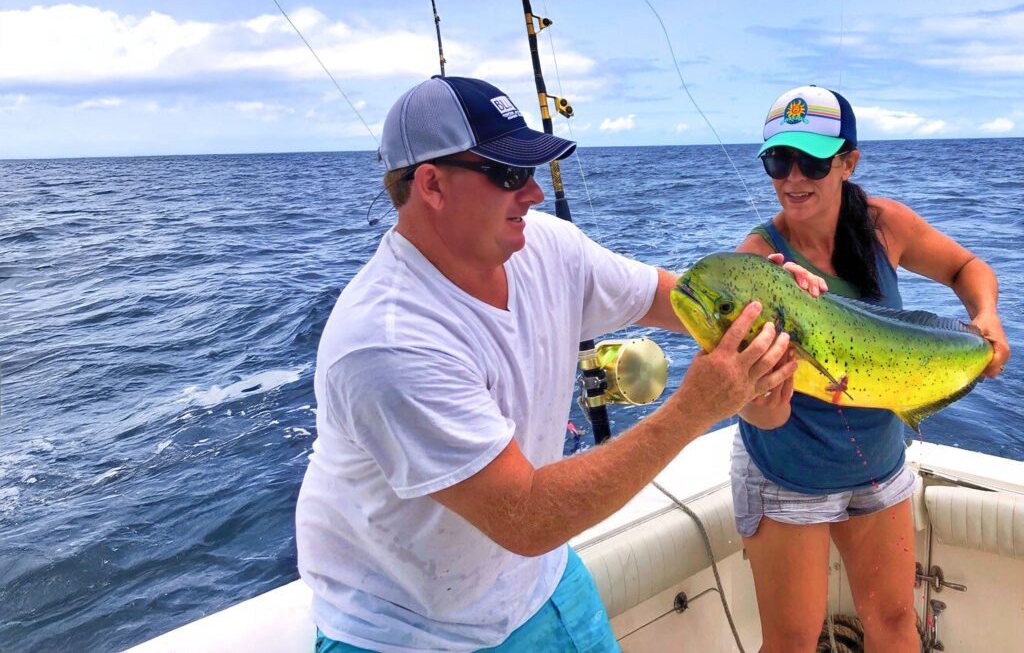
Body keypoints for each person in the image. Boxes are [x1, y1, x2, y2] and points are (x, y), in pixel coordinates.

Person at [294, 75, 820, 652]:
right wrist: (696, 408)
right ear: (432, 185)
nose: (535, 194)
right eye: (510, 175)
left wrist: (768, 302)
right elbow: (526, 517)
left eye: (535, 171)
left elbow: (668, 297)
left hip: (540, 581)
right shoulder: (389, 341)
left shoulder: (545, 245)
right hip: (411, 632)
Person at [733, 85, 1012, 653]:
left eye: (810, 160)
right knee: (792, 639)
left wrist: (986, 316)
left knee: (893, 620)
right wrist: (759, 402)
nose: (792, 177)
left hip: (879, 463)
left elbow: (966, 266)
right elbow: (749, 403)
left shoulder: (884, 224)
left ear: (848, 162)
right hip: (791, 470)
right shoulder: (756, 264)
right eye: (777, 160)